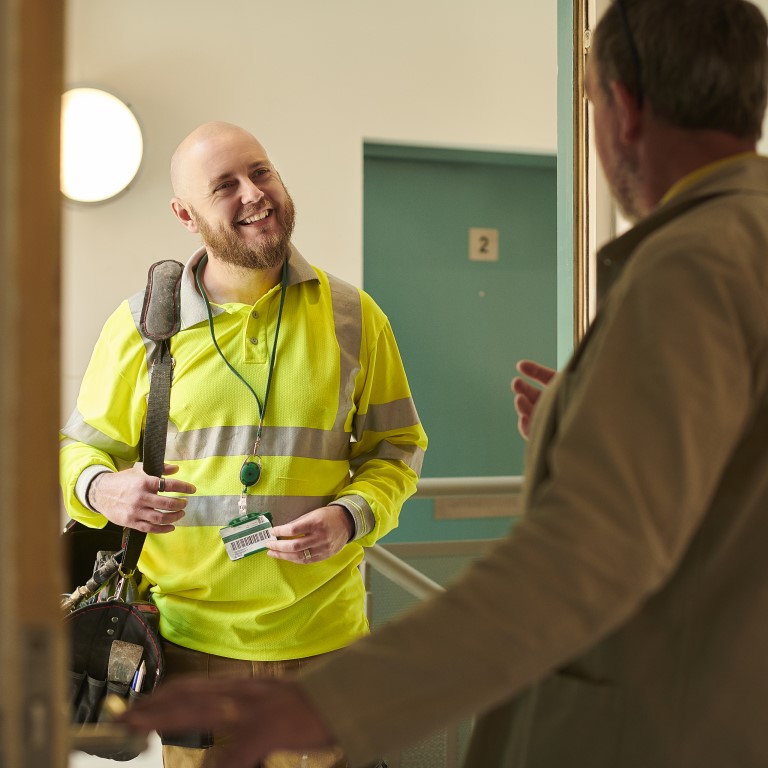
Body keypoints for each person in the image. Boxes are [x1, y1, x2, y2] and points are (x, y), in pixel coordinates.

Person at [121, 0, 768, 766]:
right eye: (224, 185)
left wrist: (329, 703)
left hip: (666, 720)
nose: (253, 194)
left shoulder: (690, 265)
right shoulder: (739, 249)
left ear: (622, 107)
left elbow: (585, 557)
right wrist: (584, 409)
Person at [59, 121, 428, 768]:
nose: (254, 194)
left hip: (327, 644)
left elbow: (396, 451)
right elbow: (77, 451)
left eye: (261, 172)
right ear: (185, 214)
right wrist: (102, 487)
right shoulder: (143, 325)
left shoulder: (355, 317)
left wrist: (350, 517)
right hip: (188, 649)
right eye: (224, 185)